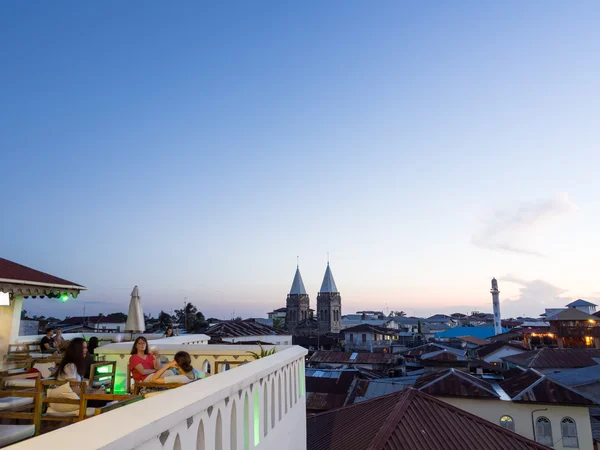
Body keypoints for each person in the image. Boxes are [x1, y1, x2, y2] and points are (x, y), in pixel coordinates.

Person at [54, 338, 108, 407]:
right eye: (84, 348)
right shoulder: (70, 366)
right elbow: (72, 388)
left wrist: (96, 391)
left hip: (77, 397)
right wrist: (94, 393)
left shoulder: (75, 365)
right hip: (70, 400)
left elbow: (83, 386)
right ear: (77, 350)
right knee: (103, 400)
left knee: (106, 395)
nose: (86, 350)